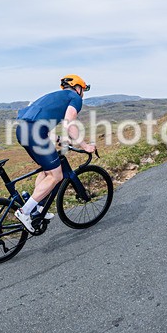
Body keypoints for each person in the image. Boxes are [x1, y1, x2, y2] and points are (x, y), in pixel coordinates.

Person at [14, 75, 96, 233]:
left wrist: (59, 139)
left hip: (23, 130)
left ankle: (37, 208)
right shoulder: (75, 98)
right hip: (35, 133)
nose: (83, 93)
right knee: (56, 176)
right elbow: (69, 123)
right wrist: (84, 145)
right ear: (78, 88)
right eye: (83, 90)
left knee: (48, 171)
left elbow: (37, 124)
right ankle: (25, 212)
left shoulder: (53, 96)